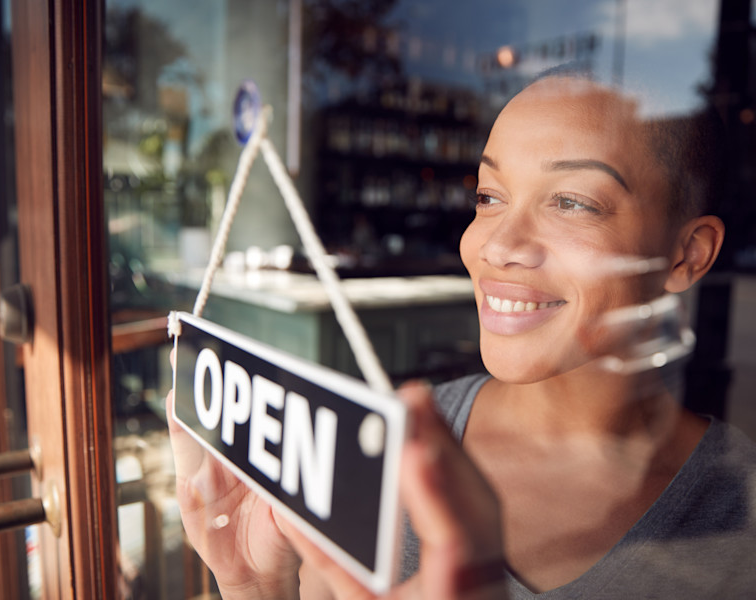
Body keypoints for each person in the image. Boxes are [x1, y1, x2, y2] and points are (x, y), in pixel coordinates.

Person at [166, 74, 756, 599]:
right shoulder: (382, 451)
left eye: (571, 202)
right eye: (488, 197)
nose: (495, 245)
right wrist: (255, 586)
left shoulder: (740, 519)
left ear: (688, 253)